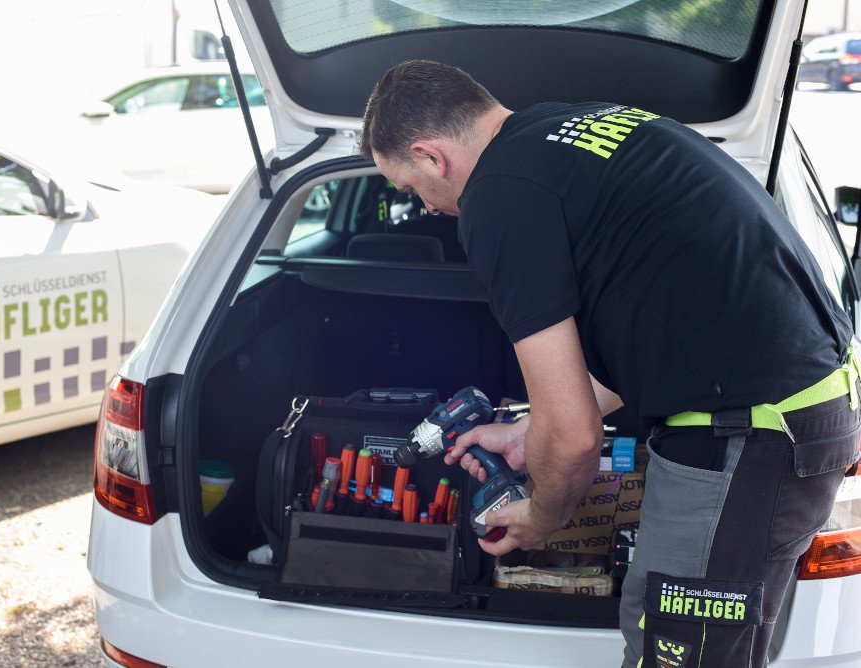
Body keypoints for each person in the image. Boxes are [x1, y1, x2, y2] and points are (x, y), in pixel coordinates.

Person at [359, 60, 861, 668]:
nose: (429, 209)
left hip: (749, 433)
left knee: (675, 652)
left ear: (430, 155)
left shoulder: (497, 198)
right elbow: (657, 327)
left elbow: (572, 442)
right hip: (786, 413)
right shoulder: (574, 129)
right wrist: (527, 431)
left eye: (412, 189)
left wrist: (540, 518)